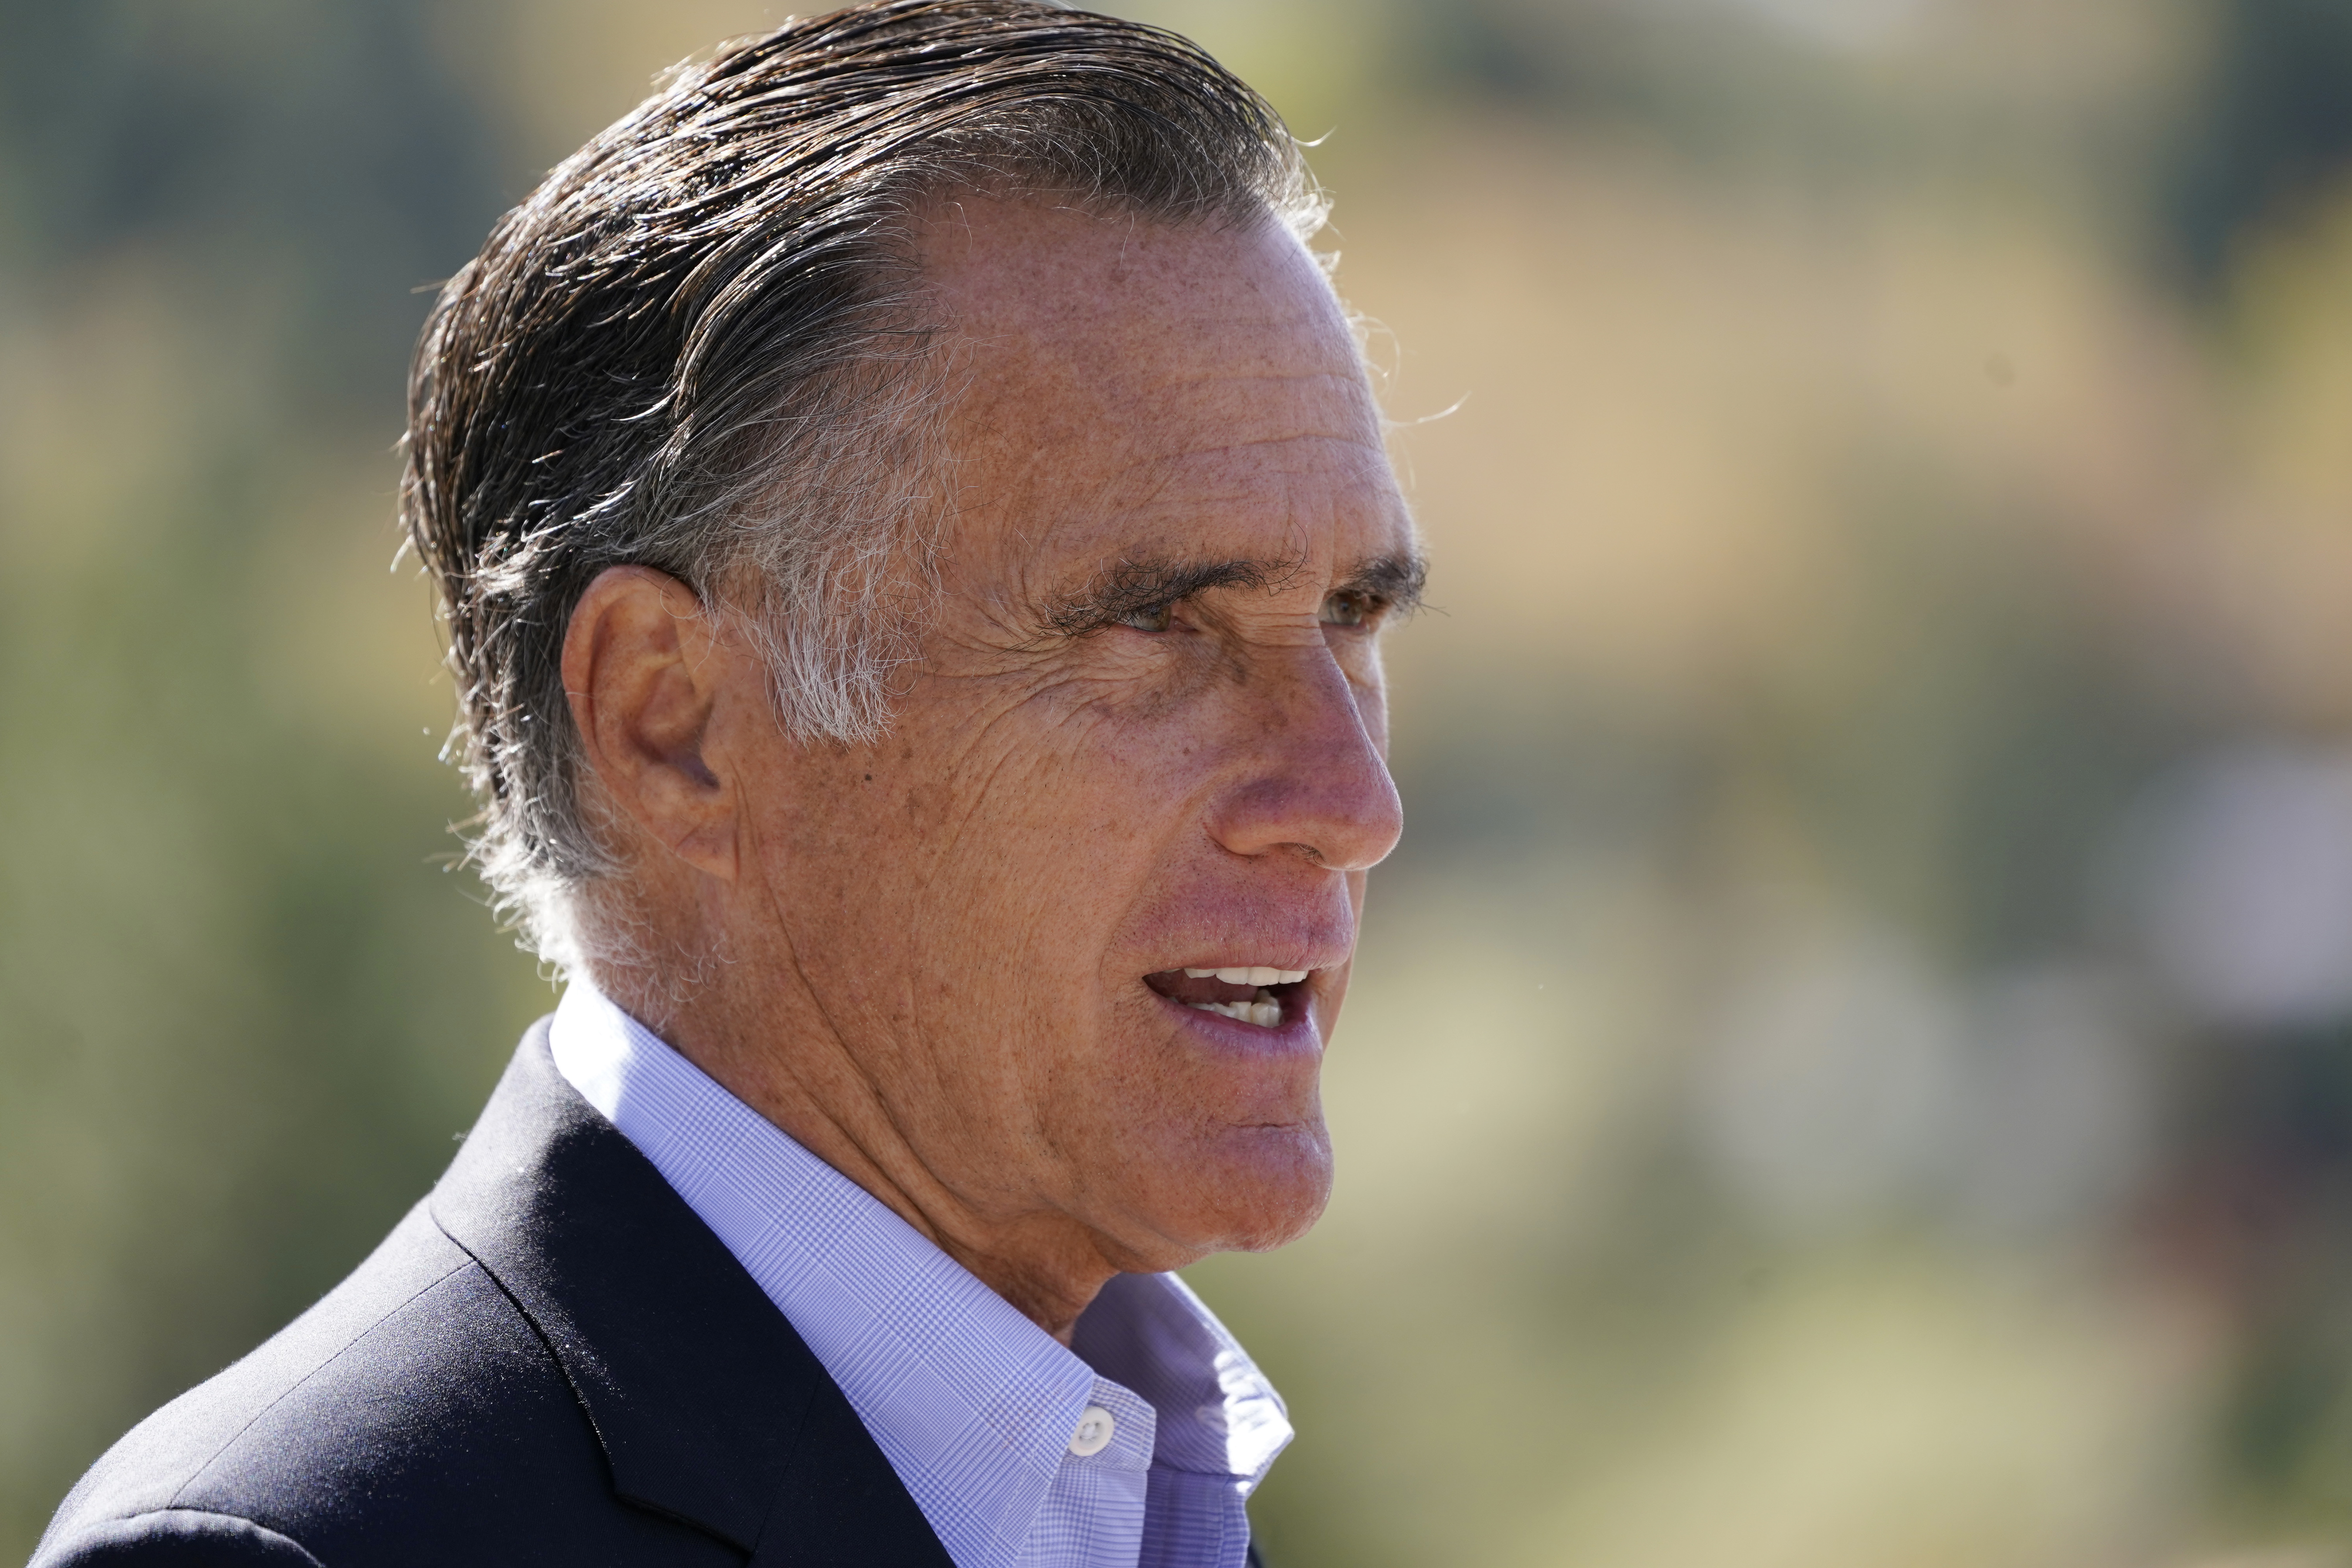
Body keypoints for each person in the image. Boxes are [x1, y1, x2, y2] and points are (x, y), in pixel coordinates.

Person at [34, 1, 1420, 1563]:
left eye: (1355, 618)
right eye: (1157, 624)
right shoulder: (290, 1550)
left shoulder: (1127, 1496)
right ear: (668, 724)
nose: (1351, 798)